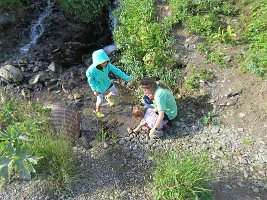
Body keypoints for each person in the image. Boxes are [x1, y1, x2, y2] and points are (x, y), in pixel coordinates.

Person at [86, 49, 132, 118]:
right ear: (97, 62)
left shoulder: (108, 65)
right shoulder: (90, 71)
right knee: (100, 101)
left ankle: (108, 97)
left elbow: (117, 71)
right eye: (103, 62)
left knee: (115, 92)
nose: (105, 64)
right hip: (98, 87)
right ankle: (97, 111)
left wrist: (128, 79)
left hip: (107, 83)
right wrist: (94, 90)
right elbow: (91, 81)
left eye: (106, 61)